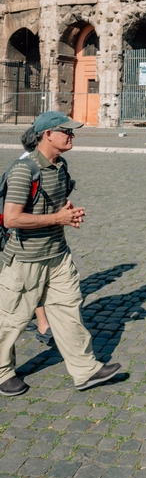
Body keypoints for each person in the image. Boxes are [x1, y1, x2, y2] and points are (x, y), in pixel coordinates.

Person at [0, 111, 121, 396]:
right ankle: (3, 372)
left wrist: (68, 213)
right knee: (12, 320)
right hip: (26, 259)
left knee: (68, 311)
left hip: (58, 255)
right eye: (66, 131)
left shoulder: (60, 165)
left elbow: (56, 204)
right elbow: (12, 219)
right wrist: (58, 219)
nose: (72, 135)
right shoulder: (24, 170)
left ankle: (85, 370)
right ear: (47, 135)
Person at [18, 128, 55, 347]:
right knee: (30, 280)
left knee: (31, 280)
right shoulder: (27, 167)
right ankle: (42, 323)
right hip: (23, 234)